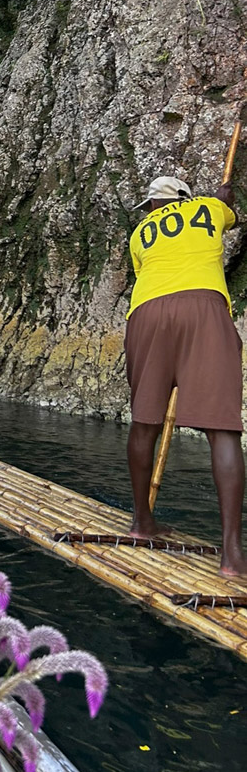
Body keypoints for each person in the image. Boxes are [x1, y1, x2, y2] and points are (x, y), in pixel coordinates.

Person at [124, 173, 247, 574]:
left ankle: (142, 522)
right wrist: (223, 196)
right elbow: (230, 214)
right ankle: (231, 555)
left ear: (158, 206)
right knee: (222, 430)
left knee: (144, 422)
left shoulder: (139, 234)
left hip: (146, 313)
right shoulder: (209, 208)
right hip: (203, 308)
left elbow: (152, 269)